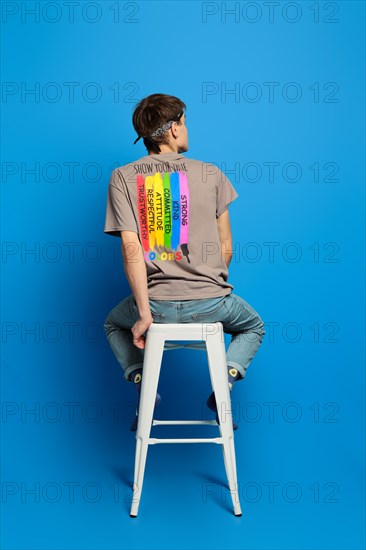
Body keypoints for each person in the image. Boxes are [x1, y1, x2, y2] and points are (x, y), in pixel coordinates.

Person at [104, 93, 265, 431]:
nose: (187, 129)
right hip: (212, 304)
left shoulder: (122, 177)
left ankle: (143, 381)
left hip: (156, 307)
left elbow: (131, 251)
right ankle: (224, 383)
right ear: (175, 128)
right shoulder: (210, 174)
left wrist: (145, 314)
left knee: (114, 323)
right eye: (185, 123)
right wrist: (208, 283)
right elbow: (227, 248)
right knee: (253, 325)